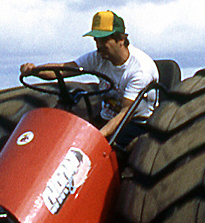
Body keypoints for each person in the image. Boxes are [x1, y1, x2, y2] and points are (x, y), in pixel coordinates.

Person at [20, 9, 161, 147]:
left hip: (135, 124)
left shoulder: (139, 70)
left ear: (121, 40)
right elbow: (63, 70)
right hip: (106, 118)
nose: (99, 46)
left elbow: (125, 114)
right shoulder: (98, 57)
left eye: (104, 40)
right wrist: (34, 71)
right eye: (96, 40)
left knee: (99, 150)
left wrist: (97, 138)